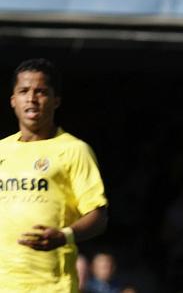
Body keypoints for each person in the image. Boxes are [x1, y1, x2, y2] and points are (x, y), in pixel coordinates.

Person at [0, 58, 109, 292]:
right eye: (23, 91)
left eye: (41, 92)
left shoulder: (74, 150)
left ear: (55, 100)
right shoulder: (1, 150)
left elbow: (98, 216)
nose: (31, 99)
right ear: (13, 100)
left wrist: (64, 236)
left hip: (51, 285)